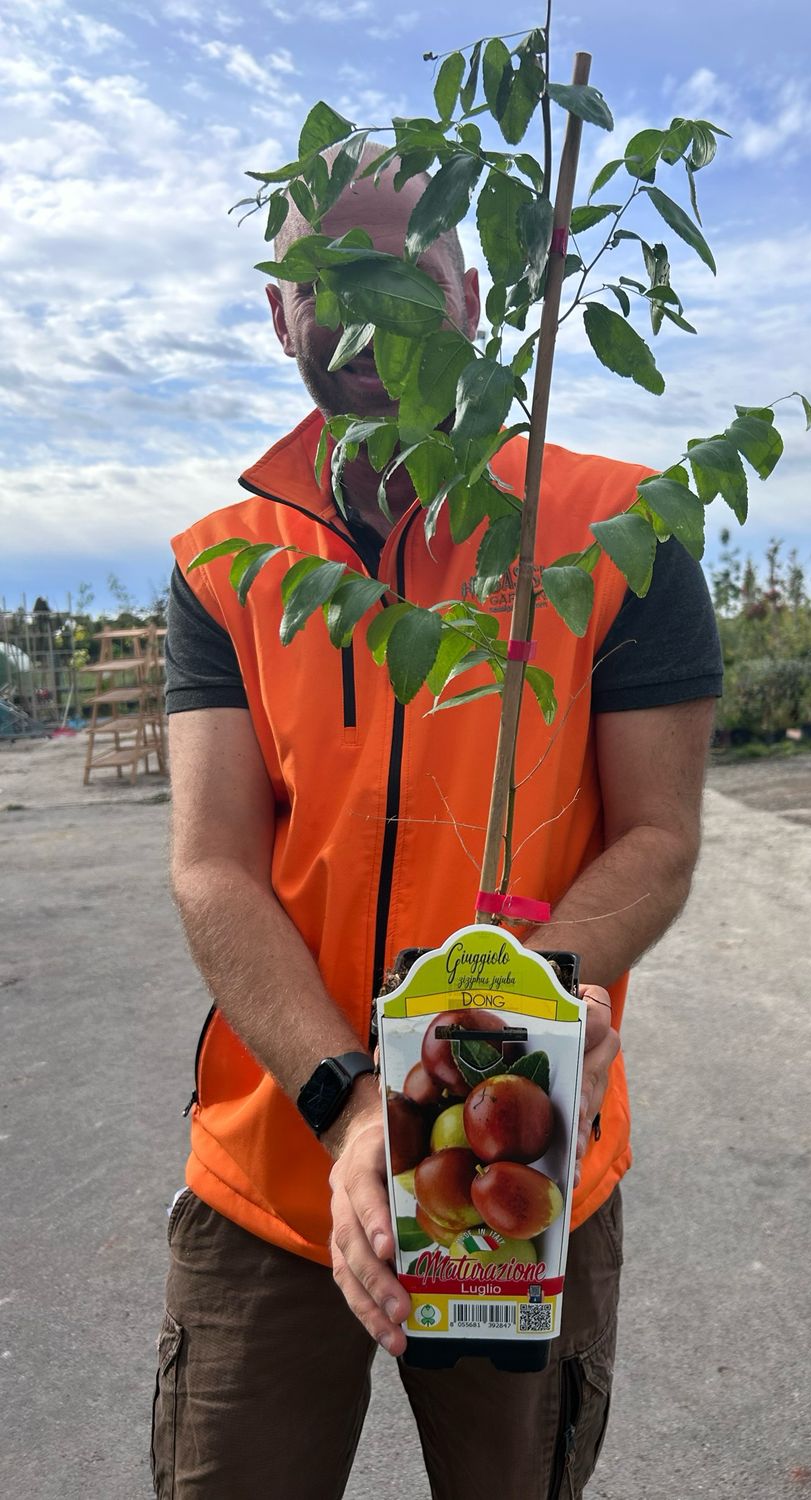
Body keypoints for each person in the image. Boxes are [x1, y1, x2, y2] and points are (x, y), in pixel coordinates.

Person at [152, 148, 723, 1500]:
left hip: (512, 1148)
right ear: (277, 310)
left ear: (473, 295)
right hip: (278, 1173)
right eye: (325, 282)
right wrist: (354, 1108)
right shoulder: (224, 563)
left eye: (404, 275)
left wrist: (514, 1014)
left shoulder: (614, 531)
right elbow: (214, 868)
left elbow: (654, 837)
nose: (364, 322)